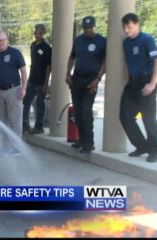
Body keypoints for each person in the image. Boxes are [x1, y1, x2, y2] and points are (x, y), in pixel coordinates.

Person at [120, 13, 157, 163]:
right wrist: (126, 81)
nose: (126, 30)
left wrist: (152, 84)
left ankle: (153, 151)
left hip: (147, 81)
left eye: (129, 26)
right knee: (125, 116)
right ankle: (141, 146)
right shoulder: (126, 43)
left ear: (137, 24)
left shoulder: (147, 40)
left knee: (148, 119)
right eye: (124, 27)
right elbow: (127, 63)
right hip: (132, 84)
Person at [0, 31, 27, 157]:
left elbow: (23, 71)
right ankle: (6, 146)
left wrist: (24, 88)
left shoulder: (15, 53)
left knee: (15, 119)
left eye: (3, 39)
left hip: (14, 90)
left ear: (7, 40)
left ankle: (16, 147)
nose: (1, 42)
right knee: (1, 119)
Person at [65, 16, 106, 154]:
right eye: (85, 28)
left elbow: (105, 62)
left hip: (91, 81)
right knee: (77, 112)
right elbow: (72, 57)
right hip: (77, 79)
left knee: (86, 111)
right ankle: (81, 140)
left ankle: (89, 143)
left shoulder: (101, 41)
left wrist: (98, 78)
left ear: (94, 26)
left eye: (89, 28)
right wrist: (68, 73)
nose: (87, 31)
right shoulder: (78, 40)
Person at [23, 24, 52, 134]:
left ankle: (39, 127)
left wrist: (45, 84)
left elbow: (49, 67)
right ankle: (25, 125)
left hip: (41, 82)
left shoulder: (47, 48)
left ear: (44, 33)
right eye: (36, 33)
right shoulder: (33, 45)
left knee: (40, 103)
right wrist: (29, 79)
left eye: (40, 33)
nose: (37, 35)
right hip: (32, 80)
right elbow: (33, 64)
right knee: (26, 101)